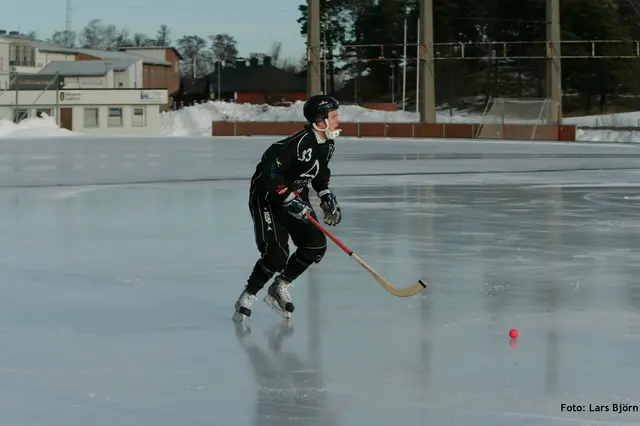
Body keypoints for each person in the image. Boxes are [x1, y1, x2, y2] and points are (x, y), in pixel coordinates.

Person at [233, 95, 343, 322]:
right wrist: (286, 196)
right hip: (267, 198)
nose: (338, 121)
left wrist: (325, 194)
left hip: (296, 197)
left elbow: (320, 172)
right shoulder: (297, 144)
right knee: (277, 255)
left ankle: (279, 286)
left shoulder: (327, 144)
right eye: (334, 117)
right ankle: (248, 294)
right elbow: (269, 170)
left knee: (315, 246)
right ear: (320, 121)